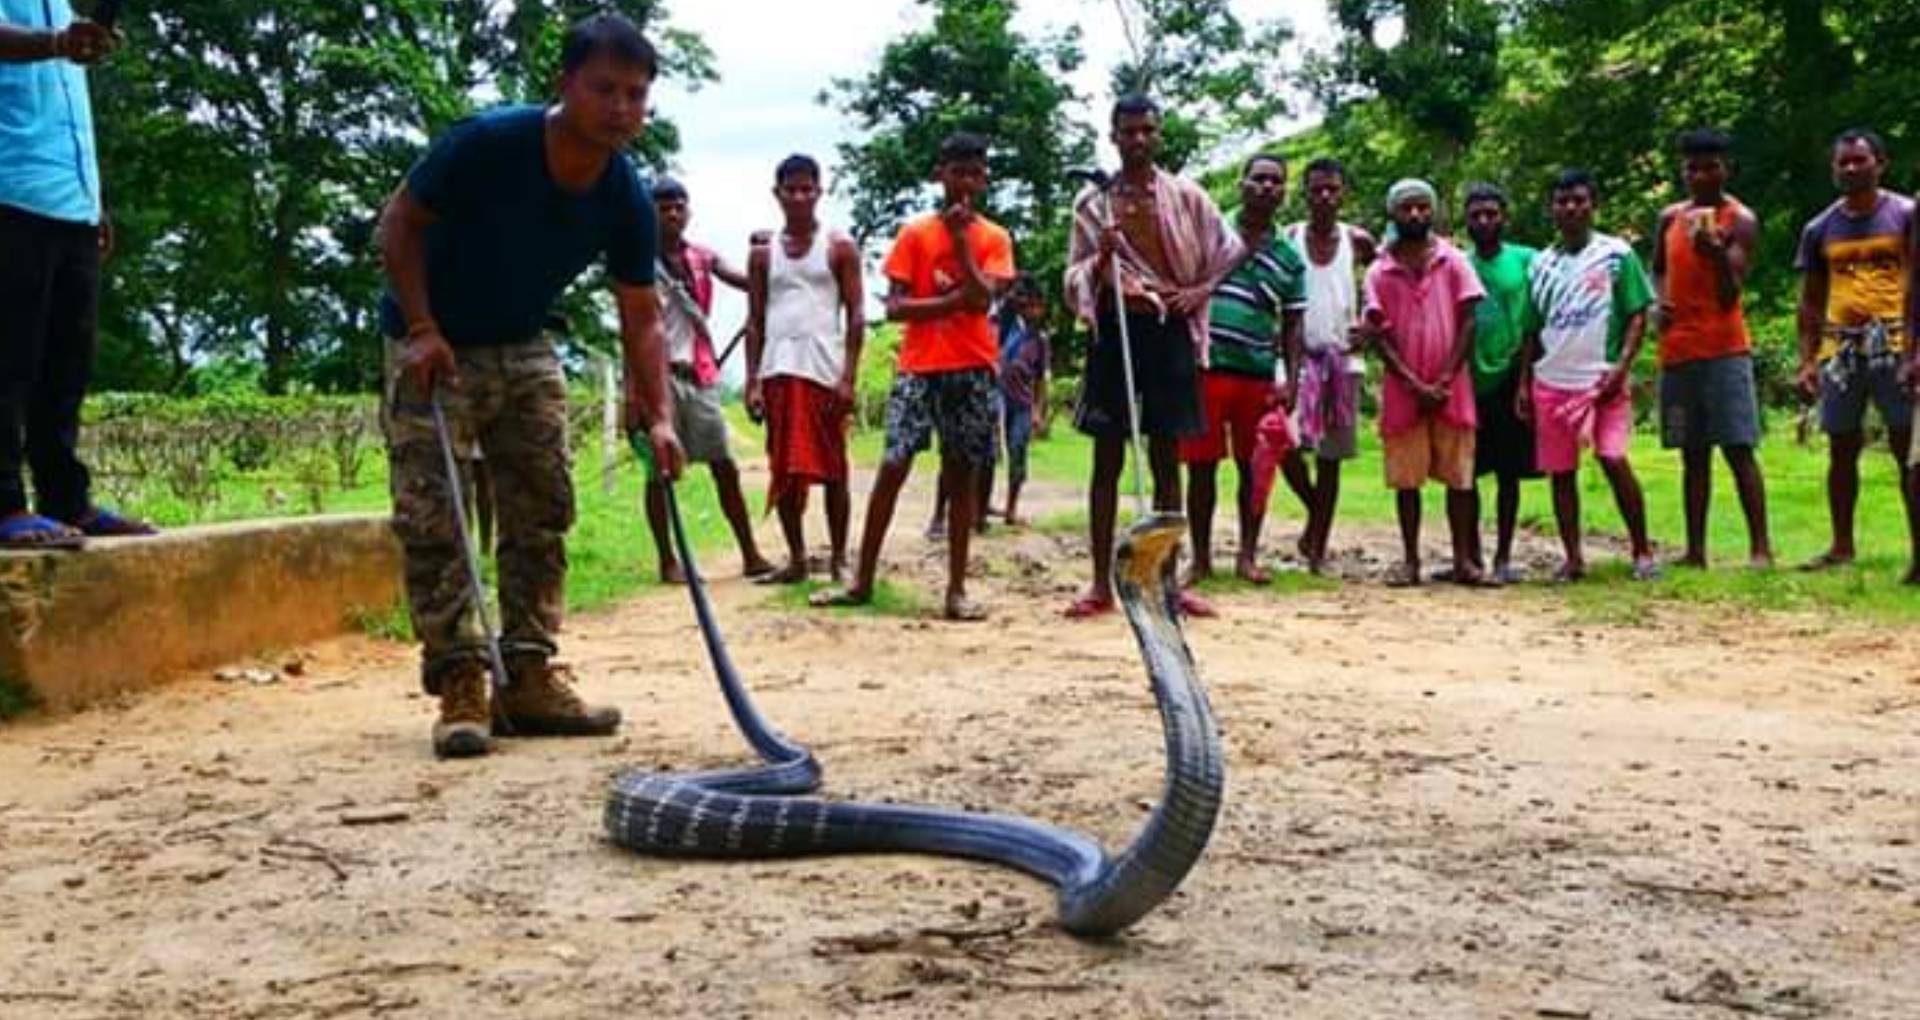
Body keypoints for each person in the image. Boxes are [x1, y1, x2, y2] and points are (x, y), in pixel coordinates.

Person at [377, 13, 685, 758]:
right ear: (565, 86)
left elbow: (641, 315)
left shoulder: (625, 196)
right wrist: (422, 328)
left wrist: (661, 416)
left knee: (542, 502)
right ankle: (459, 679)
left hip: (522, 339)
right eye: (605, 89)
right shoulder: (487, 144)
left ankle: (528, 670)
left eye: (637, 94)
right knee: (435, 514)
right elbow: (399, 222)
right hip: (432, 341)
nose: (621, 108)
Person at [811, 132, 1013, 620]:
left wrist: (963, 245)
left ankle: (957, 590)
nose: (964, 182)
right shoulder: (914, 235)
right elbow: (897, 307)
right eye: (955, 171)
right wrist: (949, 302)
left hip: (973, 365)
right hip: (919, 367)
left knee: (962, 476)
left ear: (984, 180)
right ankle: (861, 580)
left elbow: (986, 298)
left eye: (973, 173)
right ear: (939, 174)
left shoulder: (994, 237)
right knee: (893, 465)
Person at [1063, 95, 1242, 619]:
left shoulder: (1186, 196)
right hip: (1116, 330)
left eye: (1147, 130)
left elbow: (1227, 250)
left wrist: (1198, 291)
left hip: (1169, 332)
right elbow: (1073, 276)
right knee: (1108, 458)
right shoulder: (1093, 204)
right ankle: (1100, 583)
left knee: (1168, 457)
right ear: (1113, 136)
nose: (1138, 140)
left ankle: (1167, 579)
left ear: (1158, 135)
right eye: (1128, 131)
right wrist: (1104, 259)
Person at [0, 1, 156, 548]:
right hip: (10, 195)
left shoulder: (59, 4)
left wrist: (95, 201)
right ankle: (4, 506)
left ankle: (67, 500)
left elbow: (68, 111)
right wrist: (56, 43)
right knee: (8, 361)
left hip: (72, 206)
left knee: (65, 368)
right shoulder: (51, 25)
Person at [1517, 169, 1658, 582]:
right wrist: (1524, 382)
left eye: (1579, 200)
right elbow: (1530, 329)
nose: (1571, 208)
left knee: (1613, 458)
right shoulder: (1541, 265)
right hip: (1552, 381)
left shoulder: (1616, 255)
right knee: (1561, 473)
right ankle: (1573, 557)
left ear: (1593, 205)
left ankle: (1642, 550)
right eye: (1563, 201)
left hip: (1603, 381)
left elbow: (1637, 313)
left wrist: (1622, 366)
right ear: (1553, 209)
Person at [1793, 128, 1919, 581]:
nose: (1850, 168)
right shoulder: (1820, 228)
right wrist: (1807, 360)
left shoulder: (1906, 215)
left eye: (1859, 160)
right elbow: (1809, 299)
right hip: (1841, 349)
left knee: (1909, 448)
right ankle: (1841, 545)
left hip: (1900, 344)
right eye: (1842, 162)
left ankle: (1917, 552)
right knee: (1842, 447)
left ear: (1880, 164)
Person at [1180, 154, 1307, 585]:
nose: (1267, 187)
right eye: (1259, 179)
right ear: (1242, 184)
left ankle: (1247, 555)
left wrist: (1291, 378)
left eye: (1275, 181)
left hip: (1257, 373)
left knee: (1254, 468)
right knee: (1201, 467)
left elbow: (1293, 323)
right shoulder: (1210, 232)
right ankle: (1199, 558)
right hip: (1207, 365)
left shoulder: (1289, 257)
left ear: (1284, 192)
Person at [643, 177, 775, 583]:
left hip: (698, 376)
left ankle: (750, 553)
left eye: (679, 205)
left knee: (724, 465)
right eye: (663, 206)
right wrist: (636, 391)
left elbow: (750, 282)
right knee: (658, 472)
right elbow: (632, 329)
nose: (672, 213)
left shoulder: (701, 258)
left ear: (689, 210)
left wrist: (764, 257)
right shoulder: (637, 263)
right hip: (657, 377)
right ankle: (668, 560)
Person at [1653, 128, 1773, 569]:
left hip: (1724, 350)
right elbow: (1658, 269)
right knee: (1692, 452)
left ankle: (1760, 548)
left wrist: (1717, 254)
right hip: (1679, 350)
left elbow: (1731, 293)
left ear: (1727, 169)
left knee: (1739, 447)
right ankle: (1695, 549)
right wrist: (1659, 303)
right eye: (1692, 168)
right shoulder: (1670, 218)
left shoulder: (1739, 219)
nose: (1701, 176)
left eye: (1710, 167)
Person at [1360, 180, 1488, 588]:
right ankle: (1411, 560)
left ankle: (1464, 560)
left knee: (1459, 478)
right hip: (1404, 390)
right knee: (1406, 480)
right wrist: (1412, 382)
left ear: (1431, 211)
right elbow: (1378, 333)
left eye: (1421, 207)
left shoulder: (1453, 261)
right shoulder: (1380, 270)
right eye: (1406, 208)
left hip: (1452, 386)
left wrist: (1446, 376)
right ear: (1393, 214)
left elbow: (1469, 319)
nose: (1415, 215)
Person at [746, 154, 865, 585]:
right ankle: (796, 558)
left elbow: (855, 316)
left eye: (806, 188)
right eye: (790, 189)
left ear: (818, 192)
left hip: (823, 372)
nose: (798, 196)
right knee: (785, 469)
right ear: (777, 194)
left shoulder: (839, 247)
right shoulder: (763, 255)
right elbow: (755, 321)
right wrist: (752, 381)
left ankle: (839, 557)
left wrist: (848, 376)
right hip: (778, 371)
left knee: (834, 469)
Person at [1283, 158, 1378, 574]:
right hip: (1298, 361)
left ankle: (1317, 545)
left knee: (1330, 457)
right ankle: (1315, 512)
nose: (1325, 196)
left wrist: (1371, 325)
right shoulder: (1290, 237)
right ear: (1305, 193)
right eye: (1317, 189)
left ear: (1343, 194)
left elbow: (1383, 281)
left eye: (1332, 189)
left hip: (1343, 360)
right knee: (1284, 444)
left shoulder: (1358, 241)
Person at [1462, 183, 1539, 583]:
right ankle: (1470, 555)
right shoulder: (1458, 263)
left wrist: (1527, 377)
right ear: (1466, 219)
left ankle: (1504, 557)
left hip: (1512, 375)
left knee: (1509, 471)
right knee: (1466, 473)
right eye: (1476, 215)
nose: (1484, 221)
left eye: (1491, 213)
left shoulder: (1527, 259)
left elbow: (1534, 322)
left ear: (1503, 217)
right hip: (1468, 379)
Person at [991, 273, 1050, 527]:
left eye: (1037, 305)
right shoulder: (1002, 326)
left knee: (1018, 450)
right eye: (1029, 304)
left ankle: (1011, 508)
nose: (1033, 310)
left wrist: (1038, 411)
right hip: (996, 397)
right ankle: (981, 504)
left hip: (1023, 403)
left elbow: (1041, 380)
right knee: (990, 452)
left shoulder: (1040, 339)